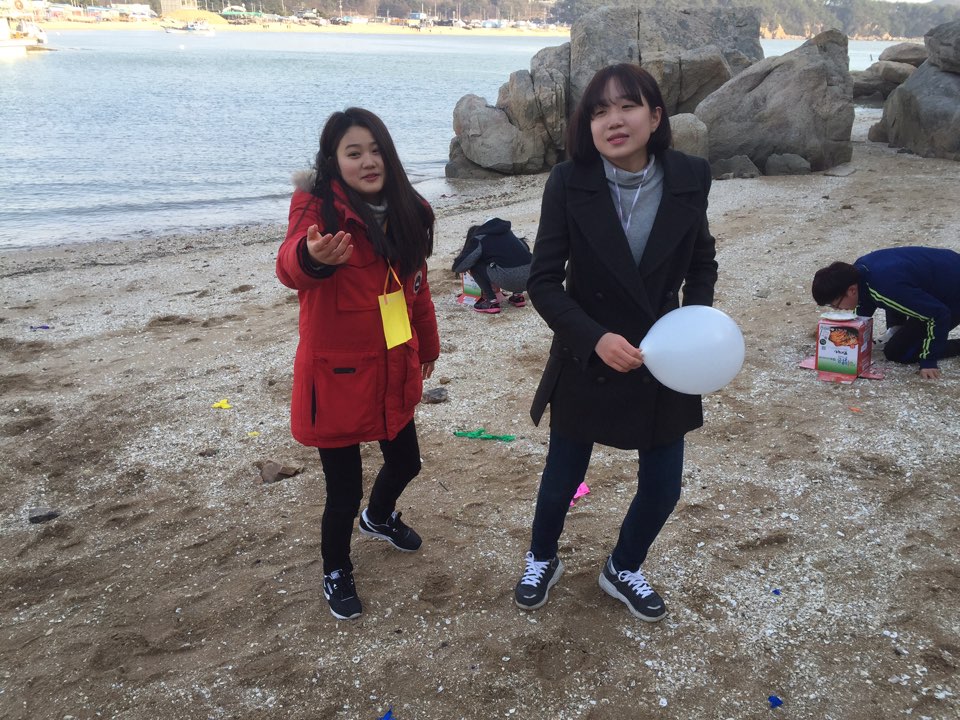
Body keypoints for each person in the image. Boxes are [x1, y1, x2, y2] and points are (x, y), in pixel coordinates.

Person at [513, 63, 718, 622]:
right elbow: (542, 281)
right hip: (588, 351)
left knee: (664, 485)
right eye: (599, 110)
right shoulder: (568, 181)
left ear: (655, 116)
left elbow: (701, 261)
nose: (613, 120)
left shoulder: (690, 176)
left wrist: (692, 326)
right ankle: (542, 556)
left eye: (628, 106)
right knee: (562, 477)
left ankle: (623, 566)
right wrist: (595, 338)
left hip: (663, 355)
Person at [276, 108, 439, 620]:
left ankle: (380, 516)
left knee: (407, 462)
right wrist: (314, 259)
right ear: (334, 160)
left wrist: (428, 348)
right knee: (342, 493)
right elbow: (289, 264)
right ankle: (336, 568)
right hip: (336, 376)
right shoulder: (317, 209)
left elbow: (417, 291)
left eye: (375, 150)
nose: (368, 162)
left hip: (393, 364)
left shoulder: (409, 210)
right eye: (353, 153)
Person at [811, 247, 960, 380]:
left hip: (952, 296)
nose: (837, 309)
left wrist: (929, 361)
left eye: (835, 304)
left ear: (851, 291)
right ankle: (896, 329)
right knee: (894, 295)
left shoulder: (885, 288)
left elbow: (939, 314)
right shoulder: (859, 273)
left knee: (898, 352)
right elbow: (865, 304)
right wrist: (853, 337)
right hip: (941, 274)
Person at [451, 217, 533, 314]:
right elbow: (526, 249)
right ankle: (518, 297)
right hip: (531, 279)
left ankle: (491, 301)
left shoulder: (481, 238)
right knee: (517, 259)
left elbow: (460, 266)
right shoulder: (510, 235)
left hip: (509, 279)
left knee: (476, 266)